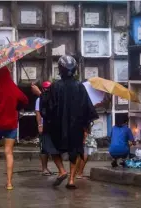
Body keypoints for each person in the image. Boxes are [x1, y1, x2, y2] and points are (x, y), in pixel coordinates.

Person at [31, 55, 98, 189]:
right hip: (75, 127)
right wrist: (85, 128)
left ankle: (62, 170)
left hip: (57, 127)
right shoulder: (80, 87)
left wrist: (39, 93)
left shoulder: (55, 86)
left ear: (60, 70)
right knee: (74, 150)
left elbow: (47, 103)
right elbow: (87, 108)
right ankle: (71, 180)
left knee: (49, 143)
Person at [0, 66, 28, 190]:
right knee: (9, 152)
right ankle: (9, 183)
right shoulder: (14, 88)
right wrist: (17, 107)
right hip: (11, 123)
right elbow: (25, 99)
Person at [35, 81, 57, 176]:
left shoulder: (54, 98)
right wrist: (40, 125)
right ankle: (44, 168)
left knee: (53, 147)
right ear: (43, 89)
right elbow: (38, 113)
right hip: (44, 126)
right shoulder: (39, 99)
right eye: (46, 88)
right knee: (43, 148)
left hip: (53, 126)